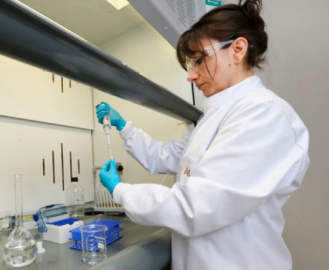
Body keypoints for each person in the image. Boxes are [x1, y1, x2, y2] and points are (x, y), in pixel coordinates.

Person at [96, 0, 310, 269]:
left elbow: (194, 206)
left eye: (199, 59)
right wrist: (124, 127)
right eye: (189, 64)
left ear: (238, 50)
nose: (191, 75)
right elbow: (169, 157)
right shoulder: (215, 117)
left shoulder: (264, 115)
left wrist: (121, 191)